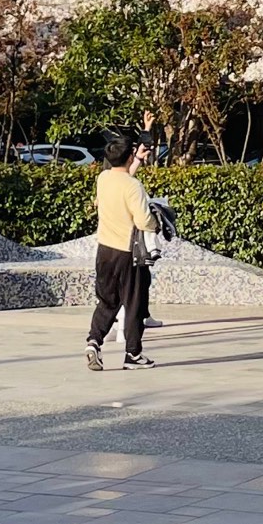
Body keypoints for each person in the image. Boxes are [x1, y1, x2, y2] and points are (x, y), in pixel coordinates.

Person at [87, 132, 160, 371]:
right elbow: (143, 220)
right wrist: (157, 221)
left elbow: (120, 181)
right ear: (129, 156)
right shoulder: (133, 186)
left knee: (107, 301)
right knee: (134, 303)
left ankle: (94, 342)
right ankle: (133, 354)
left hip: (104, 250)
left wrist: (135, 159)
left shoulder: (103, 178)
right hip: (129, 254)